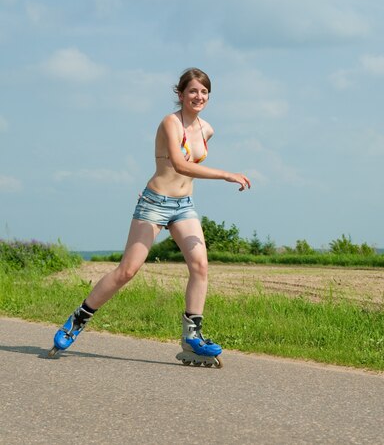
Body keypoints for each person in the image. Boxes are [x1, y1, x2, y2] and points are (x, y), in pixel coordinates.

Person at [49, 68, 251, 367]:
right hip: (155, 202)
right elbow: (180, 165)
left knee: (200, 265)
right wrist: (225, 174)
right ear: (180, 94)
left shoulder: (207, 129)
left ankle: (192, 337)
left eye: (204, 92)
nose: (199, 97)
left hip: (184, 205)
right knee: (127, 271)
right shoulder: (170, 123)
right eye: (193, 91)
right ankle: (77, 320)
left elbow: (187, 172)